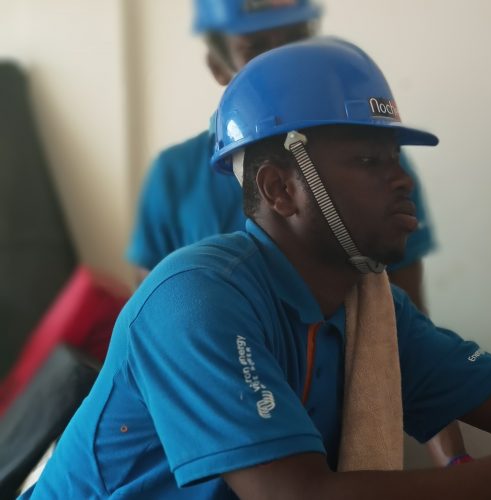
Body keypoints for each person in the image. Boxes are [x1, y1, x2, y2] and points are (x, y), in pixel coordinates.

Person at [23, 38, 491, 499]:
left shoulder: (367, 312)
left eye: (396, 158)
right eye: (370, 160)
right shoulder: (195, 300)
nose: (403, 179)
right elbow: (298, 496)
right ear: (280, 188)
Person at [126, 0, 466, 468]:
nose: (281, 61)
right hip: (212, 447)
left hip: (323, 446)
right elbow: (155, 342)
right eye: (256, 47)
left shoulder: (380, 176)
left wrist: (454, 461)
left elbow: (402, 339)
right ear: (218, 66)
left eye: (295, 39)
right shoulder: (175, 182)